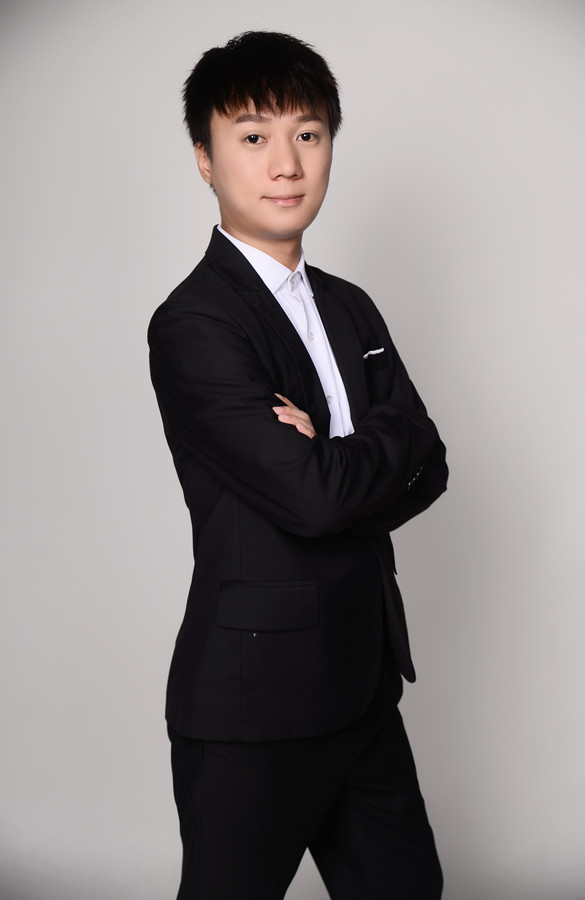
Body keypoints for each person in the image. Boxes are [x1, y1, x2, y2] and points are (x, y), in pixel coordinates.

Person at [148, 30, 448, 900]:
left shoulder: (352, 308)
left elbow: (431, 464)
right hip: (256, 705)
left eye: (308, 134)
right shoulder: (195, 325)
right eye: (253, 136)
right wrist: (367, 454)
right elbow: (314, 499)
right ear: (205, 159)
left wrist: (333, 452)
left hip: (364, 689)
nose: (287, 163)